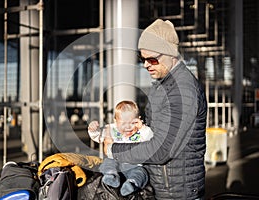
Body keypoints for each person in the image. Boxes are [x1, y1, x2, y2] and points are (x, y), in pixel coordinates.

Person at [104, 19, 208, 200]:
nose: (146, 65)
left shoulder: (182, 90)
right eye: (142, 59)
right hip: (163, 188)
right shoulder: (164, 84)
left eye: (152, 59)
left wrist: (114, 150)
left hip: (177, 193)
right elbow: (154, 133)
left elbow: (161, 150)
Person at [88, 100, 153, 196]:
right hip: (116, 163)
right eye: (123, 124)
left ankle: (131, 184)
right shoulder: (111, 129)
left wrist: (142, 127)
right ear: (115, 121)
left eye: (132, 123)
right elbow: (98, 136)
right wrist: (93, 129)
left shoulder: (141, 131)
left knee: (142, 173)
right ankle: (111, 175)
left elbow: (152, 138)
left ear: (138, 120)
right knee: (107, 163)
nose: (128, 127)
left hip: (134, 165)